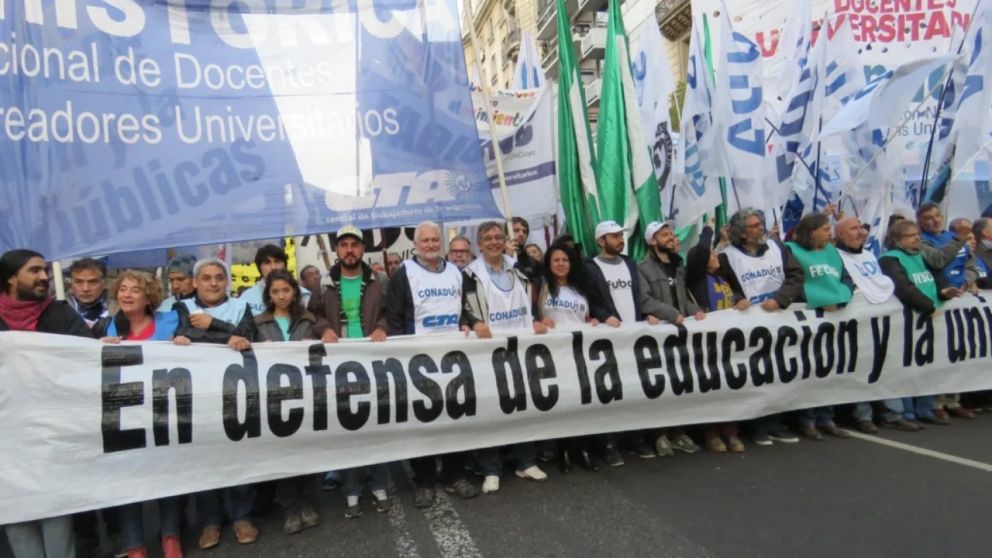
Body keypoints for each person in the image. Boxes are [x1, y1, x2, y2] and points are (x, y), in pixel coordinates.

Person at [384, 221, 487, 508]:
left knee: (456, 418)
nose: (430, 244)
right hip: (418, 362)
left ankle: (455, 475)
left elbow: (465, 309)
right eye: (424, 240)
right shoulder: (404, 273)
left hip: (454, 360)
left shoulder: (455, 272)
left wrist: (470, 323)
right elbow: (393, 318)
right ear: (415, 244)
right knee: (424, 424)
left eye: (434, 240)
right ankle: (425, 481)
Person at [1, 249, 92, 558]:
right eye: (34, 271)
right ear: (11, 277)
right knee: (16, 515)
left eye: (44, 270)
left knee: (55, 508)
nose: (43, 277)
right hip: (6, 437)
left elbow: (87, 358)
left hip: (51, 431)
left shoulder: (60, 313)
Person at [96, 271, 185, 558]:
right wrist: (99, 349)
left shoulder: (170, 322)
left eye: (135, 290)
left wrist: (185, 344)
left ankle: (170, 536)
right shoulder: (110, 328)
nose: (127, 294)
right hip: (125, 415)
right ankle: (135, 545)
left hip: (163, 411)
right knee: (128, 480)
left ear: (149, 298)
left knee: (167, 475)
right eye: (122, 289)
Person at [173, 258, 259, 549]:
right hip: (197, 394)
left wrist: (214, 325)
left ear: (227, 281)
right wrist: (227, 334)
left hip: (235, 390)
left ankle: (241, 516)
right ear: (195, 282)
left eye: (219, 278)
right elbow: (186, 333)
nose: (213, 283)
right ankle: (210, 521)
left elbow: (249, 336)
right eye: (206, 278)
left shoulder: (240, 307)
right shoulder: (183, 307)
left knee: (238, 453)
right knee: (204, 457)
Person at [307, 225, 391, 518]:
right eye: (343, 245)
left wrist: (382, 327)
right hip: (339, 363)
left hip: (372, 360)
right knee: (347, 425)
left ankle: (379, 483)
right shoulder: (324, 282)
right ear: (337, 249)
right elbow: (312, 315)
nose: (349, 250)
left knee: (375, 424)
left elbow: (390, 313)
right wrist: (325, 328)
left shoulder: (379, 279)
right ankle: (352, 490)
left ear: (362, 248)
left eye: (354, 244)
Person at [463, 221, 550, 493]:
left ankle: (525, 461)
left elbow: (527, 303)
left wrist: (535, 320)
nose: (493, 242)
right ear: (479, 243)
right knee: (492, 409)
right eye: (487, 238)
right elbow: (463, 308)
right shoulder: (470, 274)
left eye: (498, 237)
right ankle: (492, 467)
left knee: (523, 404)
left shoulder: (518, 270)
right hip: (488, 352)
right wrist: (474, 322)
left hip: (520, 348)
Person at [719, 209, 802, 446]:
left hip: (779, 320)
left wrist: (781, 299)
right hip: (750, 327)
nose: (761, 228)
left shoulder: (778, 248)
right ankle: (755, 426)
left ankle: (776, 423)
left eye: (761, 224)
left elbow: (795, 276)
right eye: (755, 225)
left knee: (781, 373)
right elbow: (722, 285)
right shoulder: (728, 256)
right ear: (743, 233)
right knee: (755, 375)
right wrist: (736, 298)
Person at [253, 269, 323, 534]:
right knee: (281, 454)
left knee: (306, 450)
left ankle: (307, 502)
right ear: (268, 295)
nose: (281, 296)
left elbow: (322, 354)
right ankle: (290, 507)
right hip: (273, 398)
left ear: (294, 292)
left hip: (305, 394)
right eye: (275, 291)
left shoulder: (309, 319)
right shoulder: (258, 323)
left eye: (286, 290)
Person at [538, 242, 612, 471]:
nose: (561, 264)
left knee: (582, 403)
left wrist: (595, 321)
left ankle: (583, 448)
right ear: (549, 264)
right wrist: (540, 321)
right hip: (552, 355)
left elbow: (592, 313)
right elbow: (530, 316)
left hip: (579, 353)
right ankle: (563, 450)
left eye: (565, 260)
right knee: (561, 404)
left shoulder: (582, 288)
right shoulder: (541, 288)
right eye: (556, 260)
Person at [880, 219, 961, 426]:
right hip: (909, 319)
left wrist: (944, 291)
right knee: (907, 366)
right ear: (898, 240)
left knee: (929, 365)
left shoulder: (921, 255)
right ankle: (907, 413)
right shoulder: (890, 259)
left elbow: (936, 277)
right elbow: (904, 287)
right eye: (912, 235)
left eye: (918, 234)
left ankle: (925, 408)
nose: (918, 238)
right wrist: (929, 306)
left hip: (930, 317)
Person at [784, 213, 853, 441]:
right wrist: (820, 299)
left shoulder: (832, 253)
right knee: (811, 369)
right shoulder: (791, 250)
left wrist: (842, 298)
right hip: (808, 318)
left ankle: (827, 417)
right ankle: (807, 419)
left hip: (835, 318)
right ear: (811, 231)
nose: (830, 233)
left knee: (830, 369)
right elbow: (793, 281)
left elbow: (845, 280)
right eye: (825, 229)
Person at [637, 221, 704, 456]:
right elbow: (645, 300)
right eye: (664, 234)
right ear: (652, 241)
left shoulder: (678, 266)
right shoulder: (643, 268)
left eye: (671, 233)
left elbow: (682, 296)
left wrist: (694, 309)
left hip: (680, 334)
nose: (671, 237)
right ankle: (659, 433)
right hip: (659, 336)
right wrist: (671, 314)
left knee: (680, 383)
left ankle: (678, 430)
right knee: (660, 385)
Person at [833, 217, 903, 433]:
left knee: (889, 365)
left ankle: (893, 413)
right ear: (840, 235)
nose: (861, 232)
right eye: (853, 229)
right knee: (862, 366)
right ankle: (863, 415)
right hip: (858, 322)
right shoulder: (837, 257)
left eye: (861, 228)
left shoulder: (869, 254)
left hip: (882, 318)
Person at [582, 220, 640, 466]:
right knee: (610, 391)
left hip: (634, 336)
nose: (620, 240)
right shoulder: (590, 267)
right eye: (614, 236)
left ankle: (634, 437)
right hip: (608, 340)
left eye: (620, 235)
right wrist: (605, 316)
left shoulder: (629, 263)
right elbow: (590, 299)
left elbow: (638, 295)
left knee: (634, 388)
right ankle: (608, 441)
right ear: (601, 241)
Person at [916, 204, 978, 420]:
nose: (935, 220)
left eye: (937, 215)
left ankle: (953, 399)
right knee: (940, 353)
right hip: (939, 299)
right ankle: (937, 401)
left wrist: (966, 281)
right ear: (921, 222)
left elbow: (972, 266)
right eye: (928, 218)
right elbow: (938, 260)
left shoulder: (954, 237)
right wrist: (958, 240)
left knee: (959, 352)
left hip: (960, 299)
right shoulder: (922, 241)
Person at [685, 242, 748, 453]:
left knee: (731, 386)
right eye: (712, 254)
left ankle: (731, 431)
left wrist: (740, 301)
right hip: (708, 343)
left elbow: (732, 295)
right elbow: (701, 251)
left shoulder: (722, 278)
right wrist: (708, 229)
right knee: (711, 386)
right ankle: (711, 432)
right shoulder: (697, 279)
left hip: (728, 342)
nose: (716, 256)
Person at [239, 244, 310, 318]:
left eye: (277, 261)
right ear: (259, 268)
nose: (273, 267)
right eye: (267, 263)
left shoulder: (305, 296)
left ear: (285, 265)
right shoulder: (246, 298)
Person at [67, 257, 110, 329]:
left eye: (92, 282)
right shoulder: (59, 309)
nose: (85, 289)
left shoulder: (120, 308)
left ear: (103, 283)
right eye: (79, 282)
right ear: (71, 283)